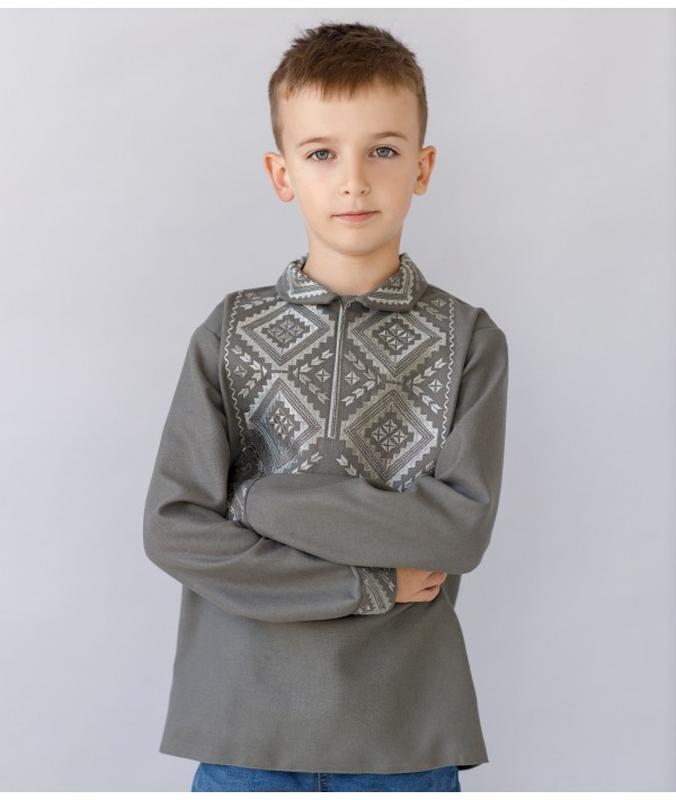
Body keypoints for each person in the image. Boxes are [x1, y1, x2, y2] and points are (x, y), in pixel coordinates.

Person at [143, 20, 509, 793]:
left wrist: (257, 501)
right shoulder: (231, 331)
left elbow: (458, 531)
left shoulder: (469, 339)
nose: (354, 181)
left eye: (383, 150)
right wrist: (368, 583)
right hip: (243, 730)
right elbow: (175, 529)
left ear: (422, 166)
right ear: (281, 174)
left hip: (403, 735)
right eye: (321, 154)